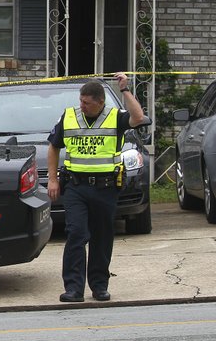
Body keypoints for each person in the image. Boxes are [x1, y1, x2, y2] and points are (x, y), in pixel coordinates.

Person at [46, 72, 146, 303]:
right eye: (81, 101)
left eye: (87, 103)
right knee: (76, 234)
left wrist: (124, 89)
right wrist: (52, 179)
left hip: (105, 189)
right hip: (76, 187)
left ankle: (99, 286)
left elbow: (139, 117)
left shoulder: (115, 117)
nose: (82, 106)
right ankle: (73, 289)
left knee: (102, 238)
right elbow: (53, 147)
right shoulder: (69, 116)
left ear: (100, 102)